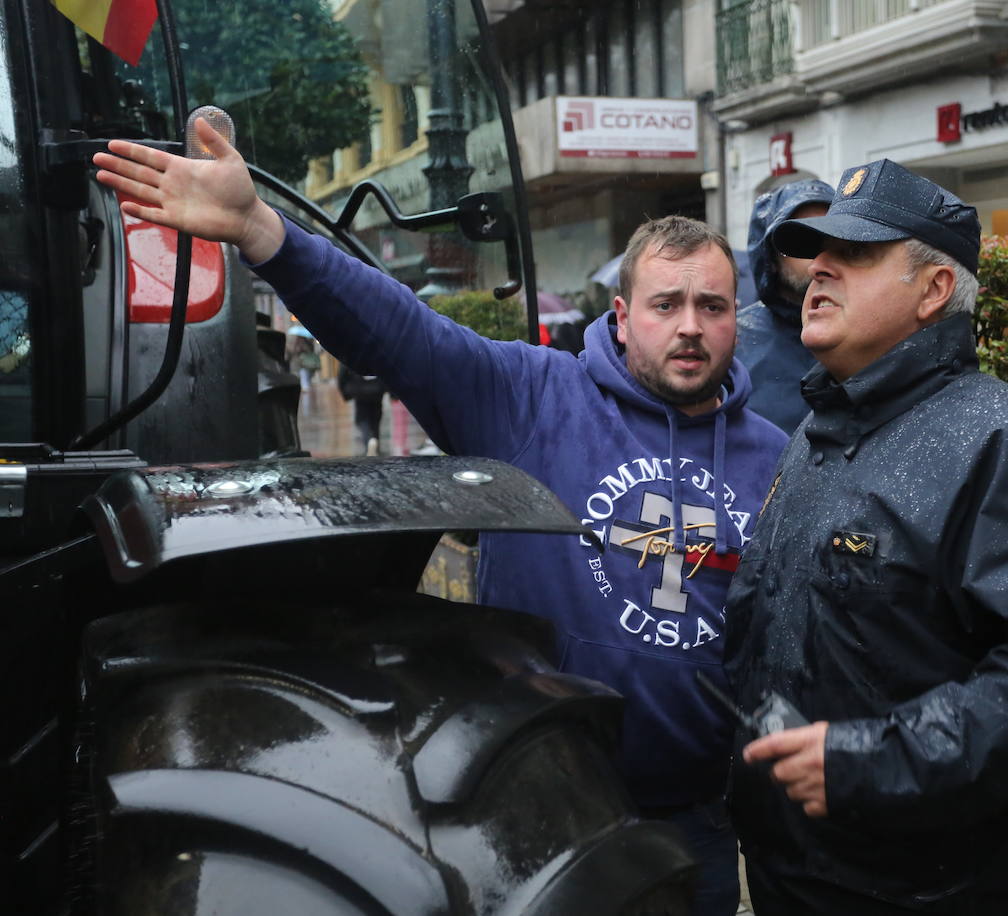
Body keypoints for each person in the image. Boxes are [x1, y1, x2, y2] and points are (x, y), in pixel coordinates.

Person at [93, 120, 789, 916]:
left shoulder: (774, 456)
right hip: (541, 815)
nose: (691, 326)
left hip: (699, 821)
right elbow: (400, 332)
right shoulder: (532, 395)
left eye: (713, 305)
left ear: (740, 318)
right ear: (624, 316)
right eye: (667, 304)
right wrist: (262, 231)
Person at [721, 158, 1008, 915]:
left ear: (934, 290)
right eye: (814, 253)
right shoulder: (817, 431)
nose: (818, 270)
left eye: (852, 255)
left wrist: (871, 763)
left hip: (943, 888)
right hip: (799, 874)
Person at [736, 178, 834, 431]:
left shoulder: (876, 331)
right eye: (799, 241)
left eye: (830, 238)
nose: (819, 258)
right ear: (770, 256)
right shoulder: (734, 341)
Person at [337, 362, 385, 455]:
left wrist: (345, 392)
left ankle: (369, 441)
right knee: (376, 418)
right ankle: (375, 443)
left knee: (362, 419)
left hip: (360, 389)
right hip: (377, 388)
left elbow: (342, 372)